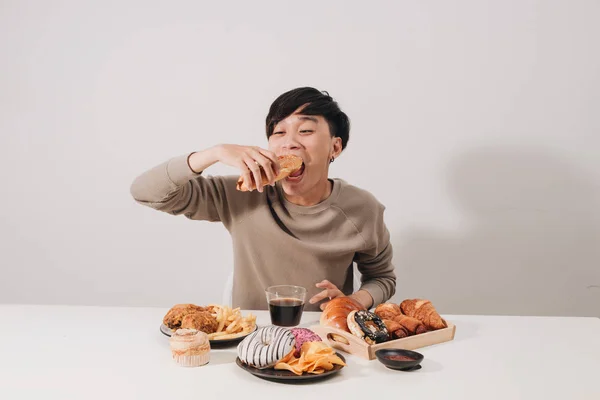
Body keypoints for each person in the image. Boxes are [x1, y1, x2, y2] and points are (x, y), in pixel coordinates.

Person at [130, 87, 396, 312]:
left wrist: (352, 302)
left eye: (305, 131)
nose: (289, 143)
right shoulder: (243, 193)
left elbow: (382, 277)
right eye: (278, 133)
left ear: (335, 147)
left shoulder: (362, 209)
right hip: (249, 336)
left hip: (324, 336)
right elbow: (145, 192)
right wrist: (214, 153)